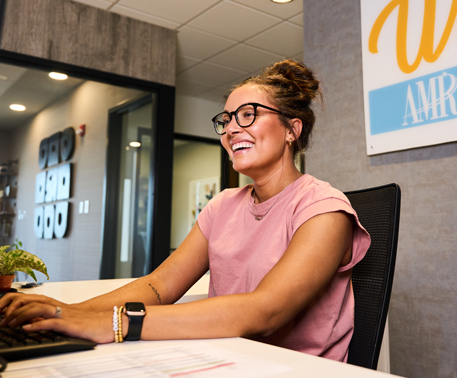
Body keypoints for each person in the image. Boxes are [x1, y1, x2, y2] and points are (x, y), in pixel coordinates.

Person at [0, 59, 370, 362]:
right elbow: (159, 286)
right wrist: (66, 313)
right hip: (225, 355)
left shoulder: (324, 209)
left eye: (248, 115)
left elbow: (265, 311)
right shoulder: (223, 205)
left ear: (292, 129)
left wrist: (116, 322)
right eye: (226, 120)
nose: (231, 130)